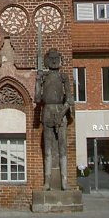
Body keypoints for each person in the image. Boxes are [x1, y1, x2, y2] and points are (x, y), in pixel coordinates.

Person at [34, 48, 74, 190]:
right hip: (47, 111)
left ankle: (64, 181)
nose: (54, 60)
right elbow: (38, 98)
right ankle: (47, 182)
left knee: (62, 147)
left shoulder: (63, 77)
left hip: (60, 112)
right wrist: (38, 82)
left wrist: (61, 114)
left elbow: (70, 99)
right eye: (51, 58)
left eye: (56, 58)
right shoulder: (44, 76)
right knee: (48, 148)